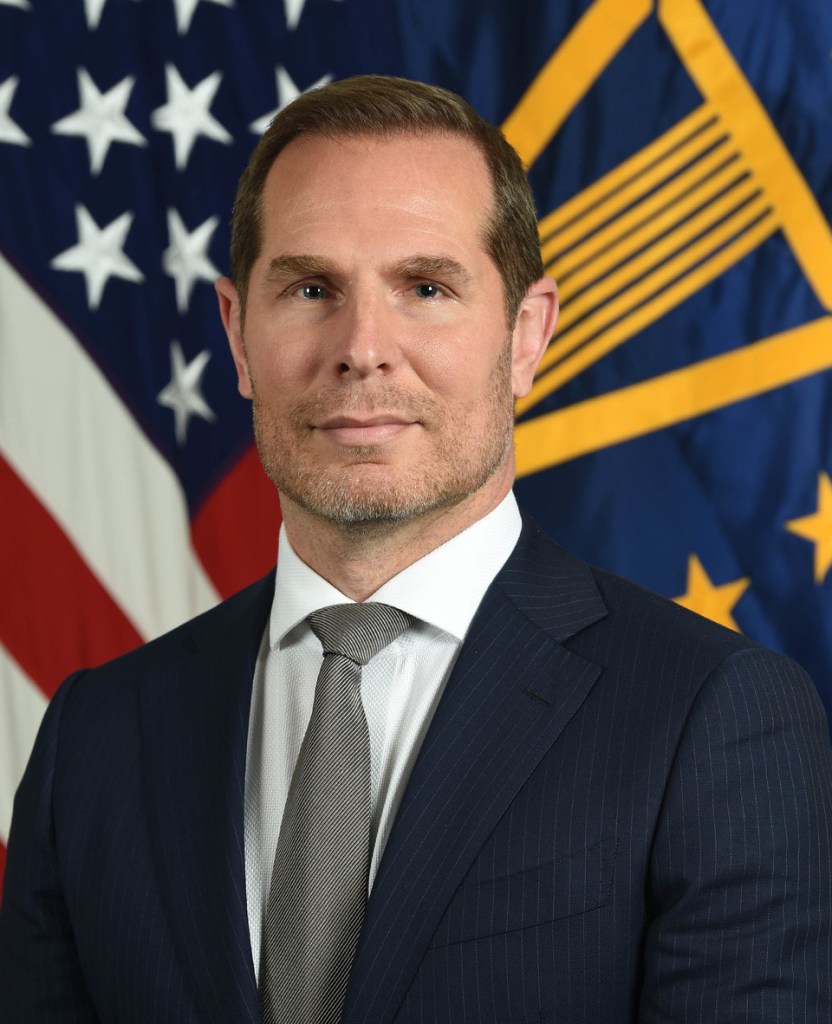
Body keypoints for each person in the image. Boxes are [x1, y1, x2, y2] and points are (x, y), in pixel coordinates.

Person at [1, 75, 831, 1024]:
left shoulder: (711, 715)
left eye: (426, 288)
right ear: (237, 336)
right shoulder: (96, 736)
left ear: (526, 337)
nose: (363, 347)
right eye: (311, 288)